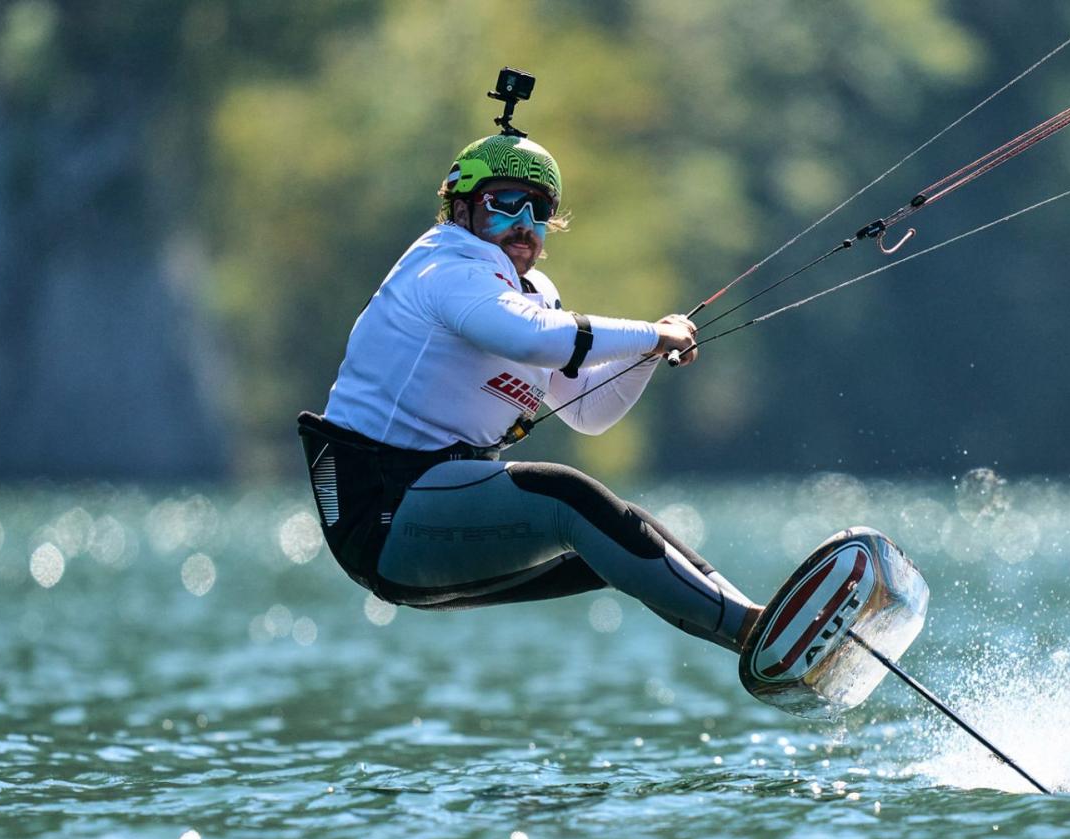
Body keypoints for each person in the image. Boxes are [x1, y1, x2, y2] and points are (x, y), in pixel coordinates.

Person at [298, 130, 764, 652]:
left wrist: (645, 355)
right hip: (386, 520)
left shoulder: (533, 293)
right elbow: (534, 339)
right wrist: (652, 335)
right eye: (504, 203)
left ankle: (762, 638)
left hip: (437, 514)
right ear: (461, 210)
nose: (524, 222)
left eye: (539, 209)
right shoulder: (446, 268)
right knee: (566, 496)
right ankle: (755, 629)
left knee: (619, 532)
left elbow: (589, 410)